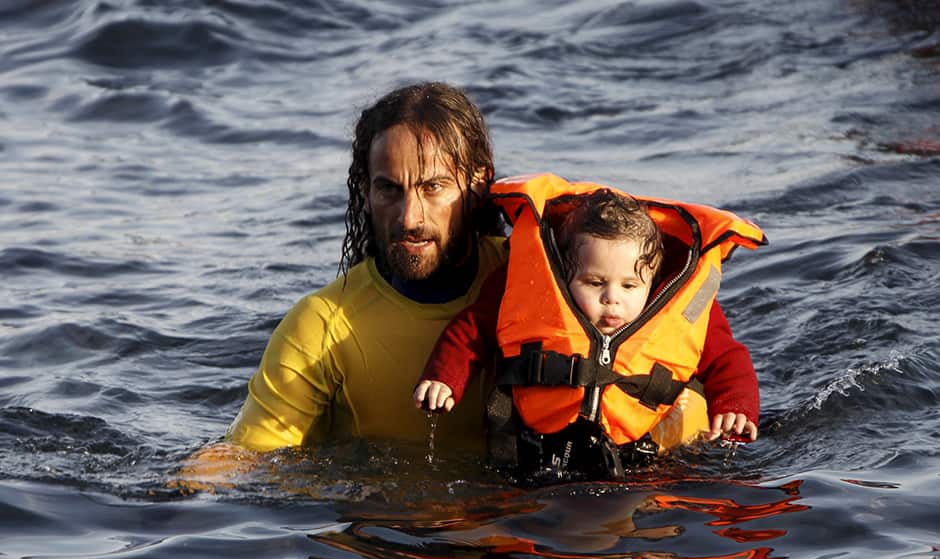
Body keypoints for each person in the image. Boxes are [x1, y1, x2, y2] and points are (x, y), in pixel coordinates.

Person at [414, 174, 765, 481]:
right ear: (566, 273)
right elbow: (473, 329)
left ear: (652, 281)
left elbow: (727, 359)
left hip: (646, 461)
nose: (612, 299)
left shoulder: (677, 307)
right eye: (595, 282)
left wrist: (735, 407)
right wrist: (445, 378)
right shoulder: (530, 289)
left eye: (629, 286)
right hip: (534, 454)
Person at [222, 82, 507, 453]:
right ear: (366, 194)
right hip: (380, 511)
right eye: (389, 189)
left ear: (478, 183)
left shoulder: (541, 281)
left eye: (433, 187)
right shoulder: (322, 325)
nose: (409, 218)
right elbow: (246, 460)